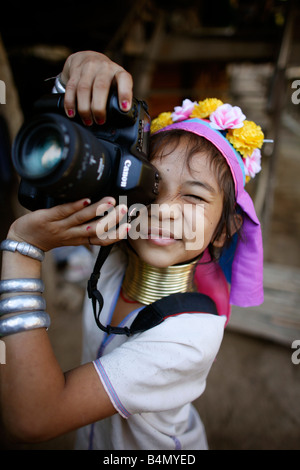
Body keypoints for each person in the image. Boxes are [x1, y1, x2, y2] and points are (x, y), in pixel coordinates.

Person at [0, 51, 264, 450]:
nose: (163, 210)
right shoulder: (113, 252)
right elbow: (67, 160)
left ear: (225, 230)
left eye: (193, 196)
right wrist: (76, 75)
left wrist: (23, 250)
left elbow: (35, 418)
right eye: (152, 185)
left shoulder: (189, 337)